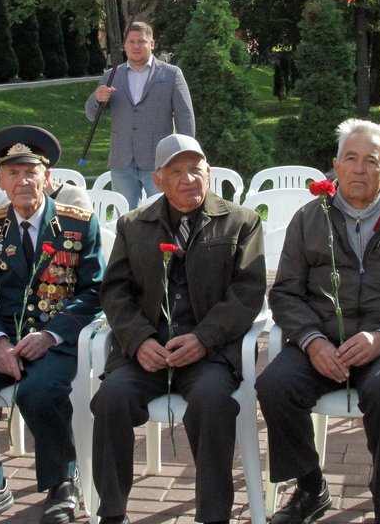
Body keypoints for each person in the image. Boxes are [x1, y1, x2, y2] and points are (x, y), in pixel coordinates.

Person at [257, 119, 380, 524]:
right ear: (335, 166)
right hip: (322, 344)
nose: (359, 169)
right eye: (351, 159)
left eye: (371, 161)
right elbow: (285, 293)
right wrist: (312, 341)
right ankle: (311, 488)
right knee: (274, 385)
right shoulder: (308, 219)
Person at [91, 134, 265, 524]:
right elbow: (116, 291)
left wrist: (206, 338)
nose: (189, 179)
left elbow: (247, 292)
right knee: (110, 400)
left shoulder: (241, 222)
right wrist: (138, 341)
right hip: (147, 352)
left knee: (213, 402)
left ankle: (214, 515)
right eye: (177, 171)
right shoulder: (135, 226)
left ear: (209, 172)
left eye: (196, 169)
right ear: (158, 180)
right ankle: (112, 513)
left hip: (209, 353)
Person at [0, 125, 102, 524]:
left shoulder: (78, 224)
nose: (23, 181)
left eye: (31, 172)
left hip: (59, 340)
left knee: (39, 390)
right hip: (3, 340)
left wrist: (50, 335)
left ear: (47, 178)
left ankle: (62, 481)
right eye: (12, 173)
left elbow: (96, 292)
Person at [85, 22, 195, 209]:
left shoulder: (171, 74)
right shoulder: (111, 75)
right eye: (131, 42)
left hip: (159, 160)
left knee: (164, 212)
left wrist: (187, 156)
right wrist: (97, 97)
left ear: (152, 44)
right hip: (122, 160)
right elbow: (90, 114)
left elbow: (185, 117)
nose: (136, 46)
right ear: (125, 46)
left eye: (141, 41)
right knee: (126, 216)